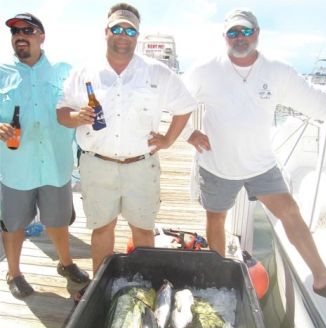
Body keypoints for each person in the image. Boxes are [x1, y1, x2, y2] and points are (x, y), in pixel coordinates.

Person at [184, 8, 326, 301]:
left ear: (257, 33)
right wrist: (188, 133)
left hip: (261, 166)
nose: (240, 38)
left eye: (245, 31)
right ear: (224, 37)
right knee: (216, 220)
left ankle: (322, 277)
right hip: (218, 166)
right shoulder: (205, 70)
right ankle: (217, 278)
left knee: (290, 211)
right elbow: (178, 100)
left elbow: (313, 100)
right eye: (233, 32)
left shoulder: (278, 71)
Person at [57, 3, 196, 297]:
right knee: (102, 230)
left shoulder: (157, 72)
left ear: (137, 35)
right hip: (97, 164)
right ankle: (101, 290)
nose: (123, 35)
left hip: (141, 166)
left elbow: (185, 107)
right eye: (117, 28)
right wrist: (76, 117)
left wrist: (169, 140)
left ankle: (144, 290)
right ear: (106, 31)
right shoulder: (85, 71)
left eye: (129, 30)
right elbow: (61, 113)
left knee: (143, 231)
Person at [0, 13, 89, 299]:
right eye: (15, 32)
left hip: (55, 165)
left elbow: (86, 104)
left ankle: (66, 264)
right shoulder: (1, 72)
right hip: (16, 168)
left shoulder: (64, 71)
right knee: (13, 225)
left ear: (42, 36)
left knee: (58, 220)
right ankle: (14, 273)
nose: (20, 35)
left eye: (28, 30)